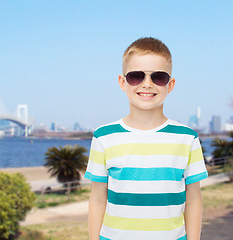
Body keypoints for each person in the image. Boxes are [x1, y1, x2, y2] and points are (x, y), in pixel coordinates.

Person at [85, 37, 208, 240]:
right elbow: (98, 198)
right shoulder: (103, 137)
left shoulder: (187, 138)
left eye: (158, 77)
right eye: (136, 76)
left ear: (170, 84)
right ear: (122, 82)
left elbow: (193, 198)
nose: (147, 84)